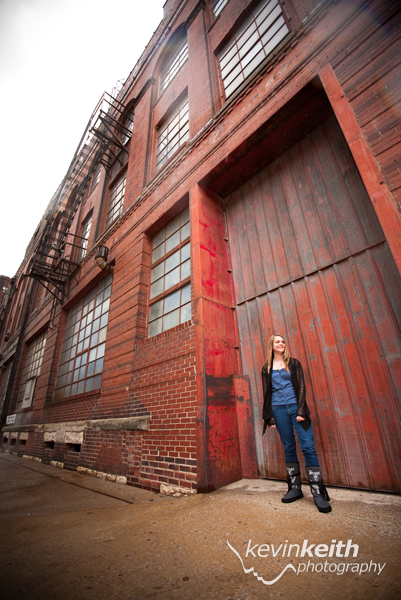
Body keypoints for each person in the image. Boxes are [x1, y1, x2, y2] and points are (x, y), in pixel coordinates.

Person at [261, 334, 331, 513]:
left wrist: (301, 410)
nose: (281, 343)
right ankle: (294, 488)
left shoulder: (293, 363)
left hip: (295, 407)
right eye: (277, 341)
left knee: (307, 446)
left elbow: (301, 387)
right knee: (289, 447)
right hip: (278, 409)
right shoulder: (266, 368)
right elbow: (266, 393)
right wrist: (269, 416)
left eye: (283, 341)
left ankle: (317, 491)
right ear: (271, 345)